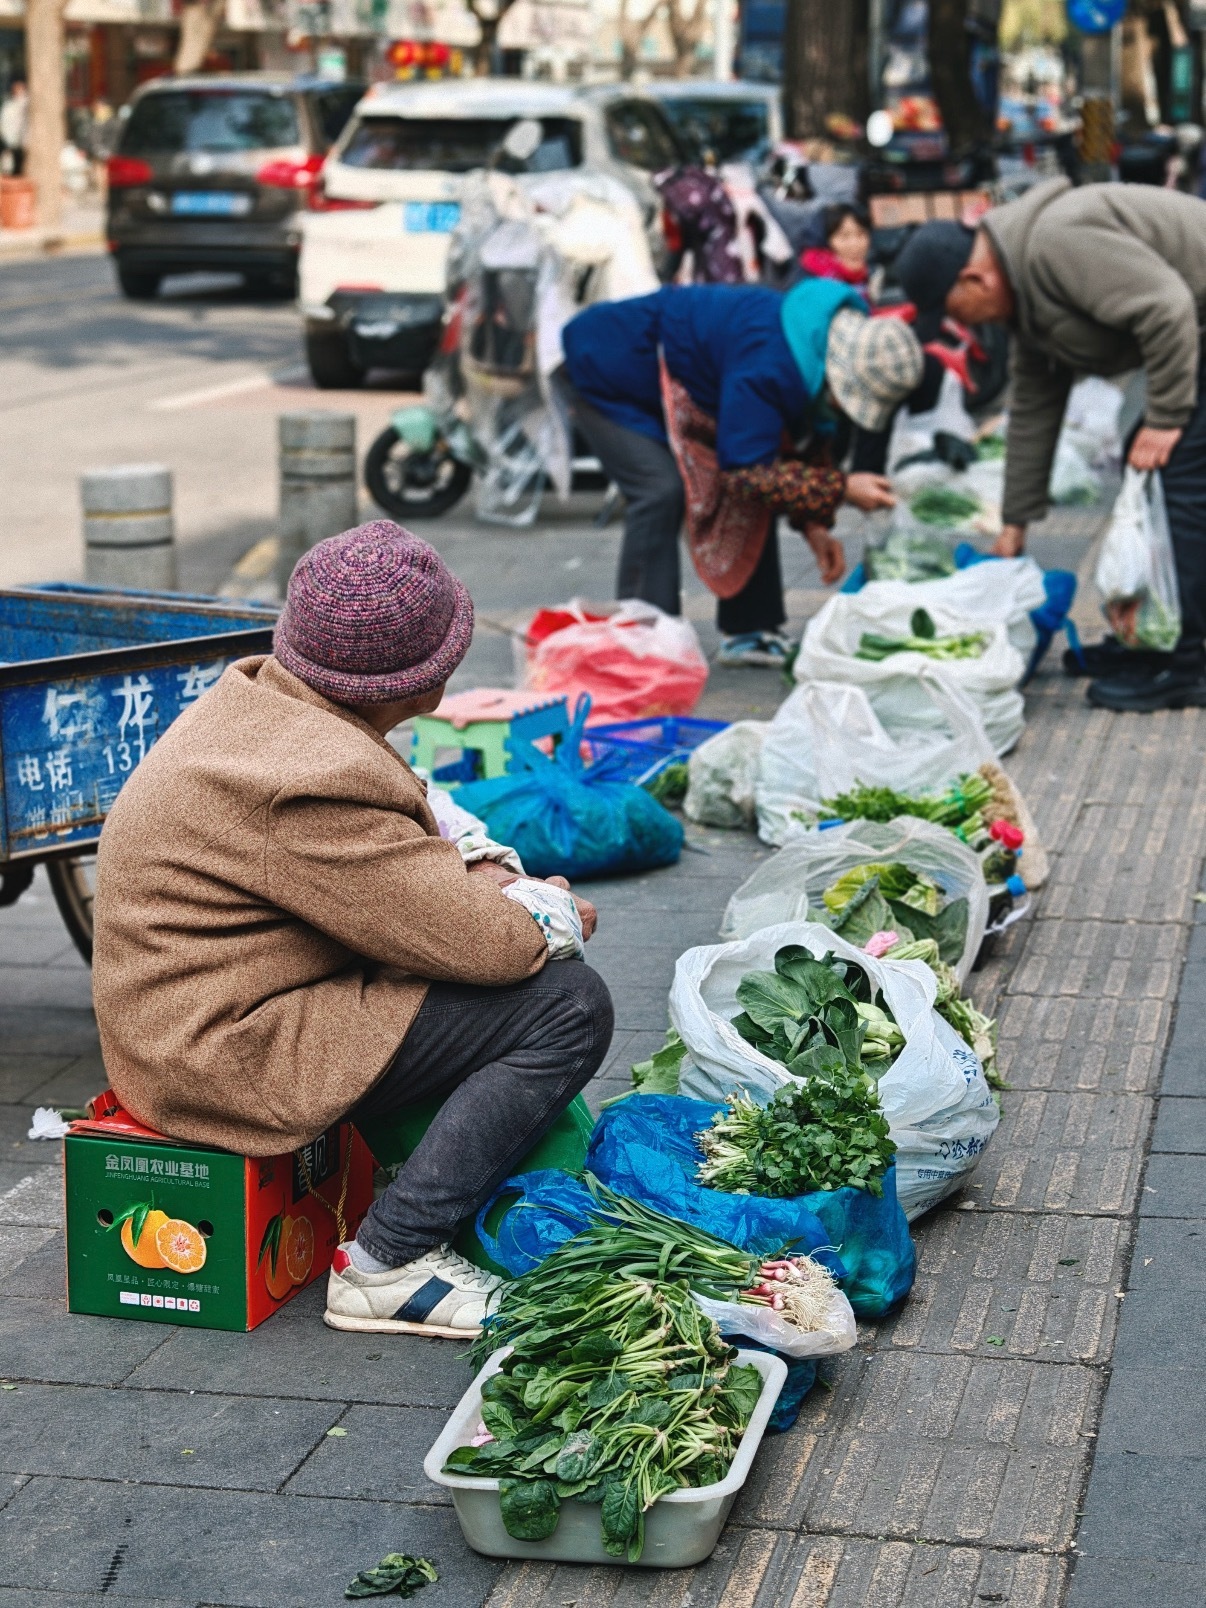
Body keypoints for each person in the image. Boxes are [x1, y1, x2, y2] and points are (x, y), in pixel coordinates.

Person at [91, 523, 614, 1339]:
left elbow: (405, 871)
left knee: (488, 969)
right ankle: (387, 1265)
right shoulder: (317, 782)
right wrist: (543, 913)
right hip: (218, 1053)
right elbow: (492, 946)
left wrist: (477, 887)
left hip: (195, 1014)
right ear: (427, 680)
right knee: (567, 1003)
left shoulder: (265, 704)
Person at [898, 181, 1206, 712]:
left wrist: (1167, 416)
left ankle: (1184, 664)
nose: (966, 326)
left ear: (975, 278)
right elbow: (1036, 408)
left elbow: (1167, 307)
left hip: (1192, 327)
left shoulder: (1056, 244)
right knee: (1152, 470)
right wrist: (1015, 523)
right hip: (1192, 337)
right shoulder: (1026, 297)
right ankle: (1154, 642)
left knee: (1176, 475)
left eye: (959, 312)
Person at [558, 280, 923, 667]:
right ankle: (642, 642)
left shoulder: (812, 345)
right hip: (604, 365)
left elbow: (791, 449)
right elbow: (746, 472)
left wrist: (814, 525)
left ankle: (751, 631)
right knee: (659, 489)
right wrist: (842, 488)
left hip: (664, 375)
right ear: (838, 376)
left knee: (754, 466)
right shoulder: (770, 361)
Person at [801, 202, 873, 289]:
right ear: (826, 242)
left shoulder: (875, 270)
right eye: (844, 236)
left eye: (861, 234)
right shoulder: (814, 282)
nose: (855, 243)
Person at [0, 79, 28, 177]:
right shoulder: (8, 107)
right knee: (11, 168)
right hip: (12, 142)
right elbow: (4, 124)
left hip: (23, 143)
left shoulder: (26, 103)